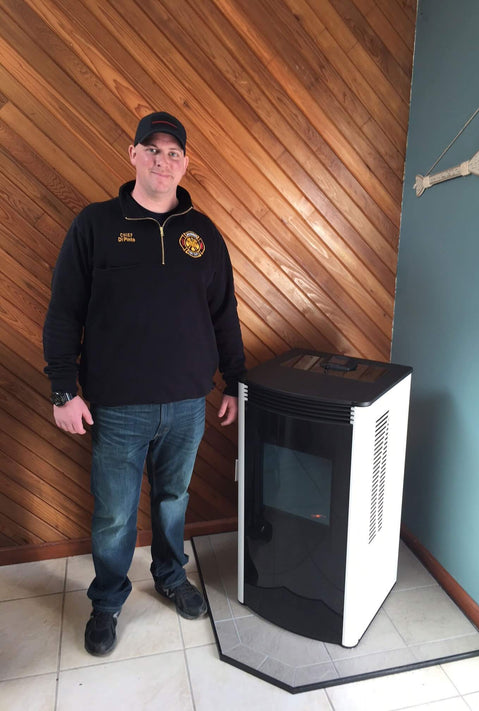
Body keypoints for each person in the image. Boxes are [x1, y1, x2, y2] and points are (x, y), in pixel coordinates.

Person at [43, 111, 246, 656]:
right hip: (117, 405)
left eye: (173, 152)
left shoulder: (202, 234)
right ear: (133, 155)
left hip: (187, 402)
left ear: (185, 163)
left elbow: (224, 314)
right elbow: (64, 311)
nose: (163, 161)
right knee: (113, 513)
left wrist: (235, 382)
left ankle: (170, 576)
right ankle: (108, 601)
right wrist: (64, 388)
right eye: (151, 150)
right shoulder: (95, 224)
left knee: (174, 498)